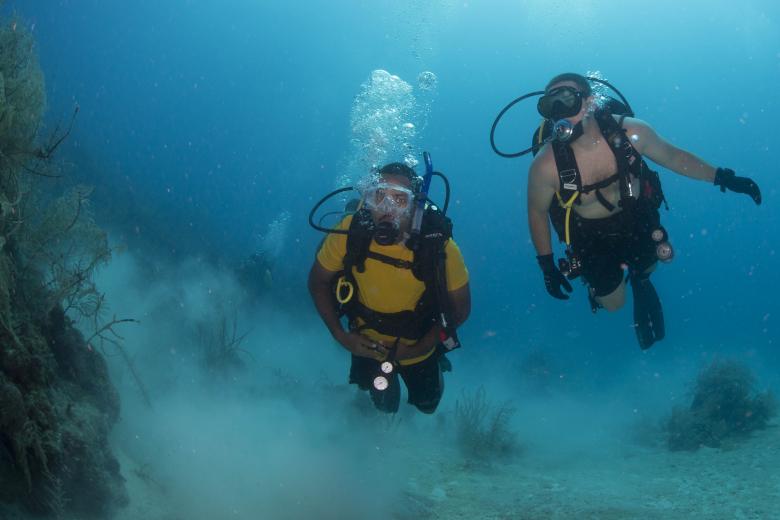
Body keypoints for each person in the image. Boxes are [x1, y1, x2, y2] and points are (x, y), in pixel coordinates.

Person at [526, 72, 761, 349]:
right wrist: (546, 266)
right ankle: (603, 287)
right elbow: (537, 211)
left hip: (636, 218)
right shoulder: (546, 165)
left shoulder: (630, 132)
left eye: (566, 101)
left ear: (589, 102)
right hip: (590, 237)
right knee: (613, 305)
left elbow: (674, 157)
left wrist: (722, 177)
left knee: (649, 264)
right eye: (550, 107)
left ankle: (639, 276)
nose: (559, 114)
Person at [308, 161, 471, 414]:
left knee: (428, 405)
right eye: (379, 197)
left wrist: (422, 348)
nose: (387, 210)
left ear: (416, 205)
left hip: (418, 347)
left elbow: (461, 309)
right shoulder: (349, 233)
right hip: (365, 343)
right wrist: (341, 336)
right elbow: (317, 281)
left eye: (399, 200)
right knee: (382, 407)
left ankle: (439, 361)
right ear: (367, 199)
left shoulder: (440, 248)